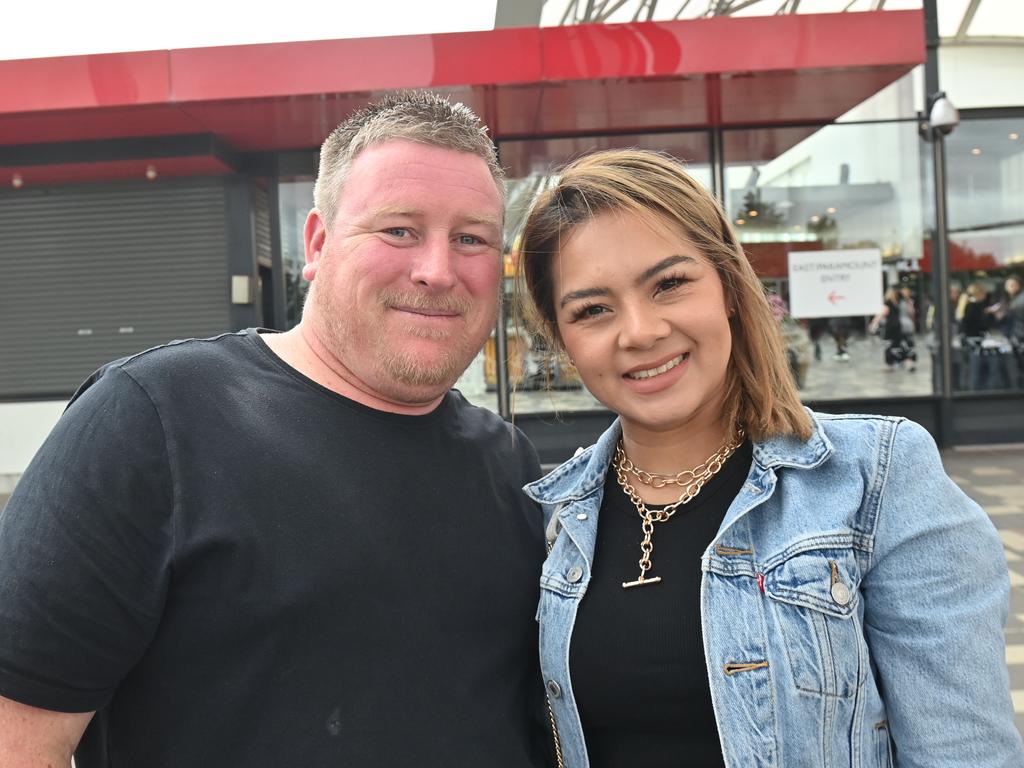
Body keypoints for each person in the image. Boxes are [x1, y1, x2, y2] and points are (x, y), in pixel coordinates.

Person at [0, 92, 550, 767]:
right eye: (399, 230)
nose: (436, 270)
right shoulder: (155, 420)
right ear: (317, 244)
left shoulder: (509, 463)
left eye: (470, 238)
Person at [516, 149, 1022, 767]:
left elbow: (962, 751)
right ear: (564, 341)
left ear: (728, 286)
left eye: (669, 284)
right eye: (593, 310)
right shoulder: (555, 522)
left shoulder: (876, 478)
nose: (640, 331)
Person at [869, 286, 918, 372]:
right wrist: (874, 322)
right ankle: (903, 363)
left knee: (900, 345)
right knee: (900, 345)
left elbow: (882, 314)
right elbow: (882, 313)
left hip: (898, 328)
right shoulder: (896, 303)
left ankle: (902, 363)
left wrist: (874, 323)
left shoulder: (900, 303)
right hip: (897, 328)